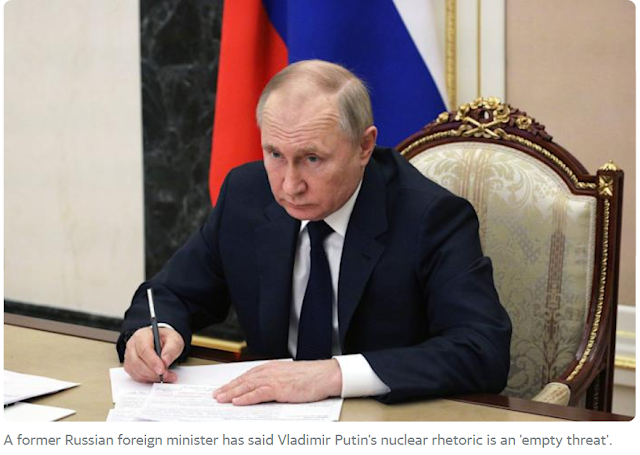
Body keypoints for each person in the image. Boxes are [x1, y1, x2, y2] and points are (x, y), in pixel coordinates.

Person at [117, 59, 511, 405]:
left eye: (312, 158)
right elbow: (172, 294)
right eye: (275, 154)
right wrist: (155, 333)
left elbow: (481, 351)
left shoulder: (430, 217)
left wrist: (332, 375)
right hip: (267, 423)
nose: (290, 186)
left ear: (364, 146)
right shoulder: (246, 194)